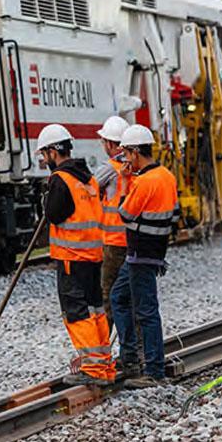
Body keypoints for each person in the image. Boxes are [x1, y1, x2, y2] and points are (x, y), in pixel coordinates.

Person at [37, 124, 116, 387]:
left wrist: (46, 198)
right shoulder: (89, 177)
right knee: (96, 310)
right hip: (93, 256)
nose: (43, 160)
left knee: (77, 313)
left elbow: (54, 214)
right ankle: (105, 366)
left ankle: (93, 368)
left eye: (44, 154)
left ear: (52, 152)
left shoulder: (60, 180)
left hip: (72, 257)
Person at [111, 124, 180, 389]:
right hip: (154, 251)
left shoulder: (143, 182)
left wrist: (127, 183)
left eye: (127, 153)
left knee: (147, 312)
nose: (125, 159)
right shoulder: (167, 176)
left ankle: (153, 370)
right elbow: (174, 215)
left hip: (140, 253)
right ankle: (130, 356)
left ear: (137, 152)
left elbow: (125, 214)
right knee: (119, 296)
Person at [92, 116, 131, 335]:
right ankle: (136, 348)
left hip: (114, 242)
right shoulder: (134, 166)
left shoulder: (110, 168)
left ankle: (101, 352)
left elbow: (88, 191)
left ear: (111, 144)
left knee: (108, 296)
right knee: (131, 297)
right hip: (133, 239)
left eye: (104, 141)